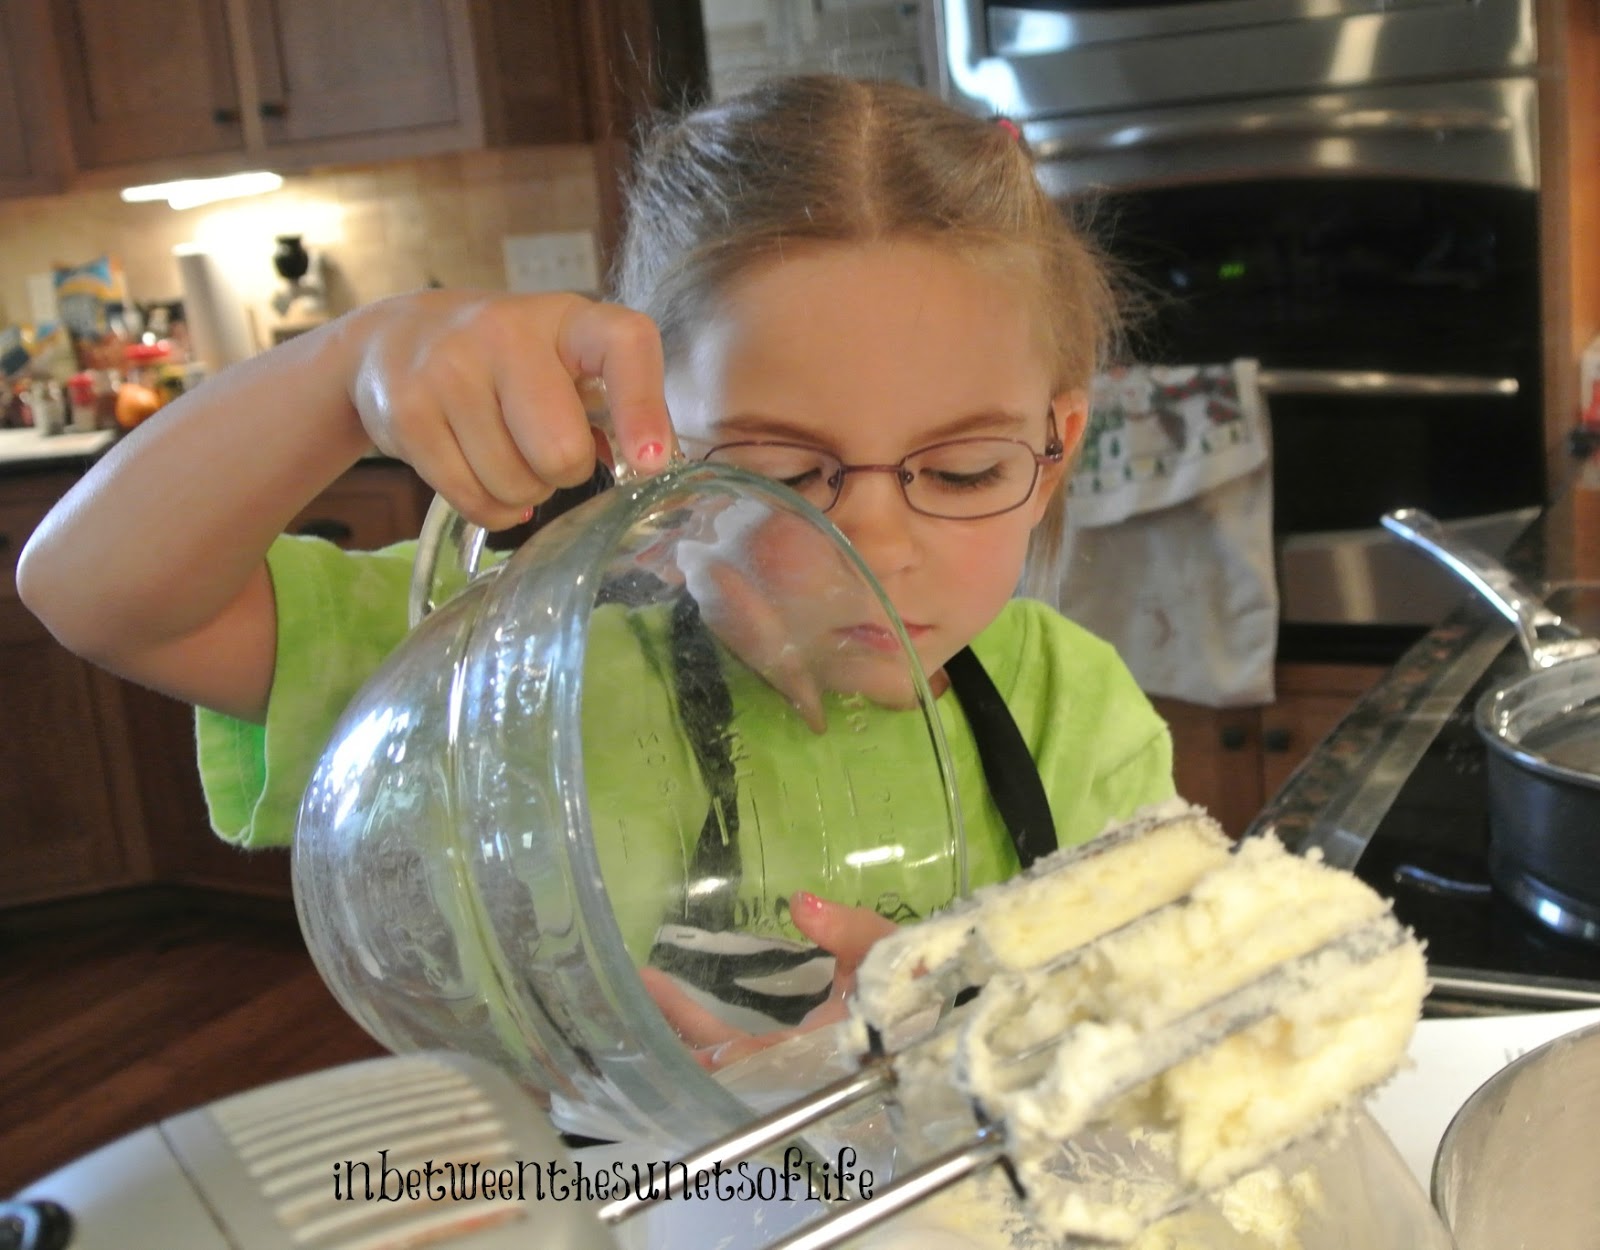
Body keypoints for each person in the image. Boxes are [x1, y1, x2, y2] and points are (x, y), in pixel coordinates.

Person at [18, 74, 1175, 1064]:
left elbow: (1157, 1020)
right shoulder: (517, 667)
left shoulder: (1075, 712)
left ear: (1055, 448)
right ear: (640, 437)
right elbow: (97, 594)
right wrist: (345, 365)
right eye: (778, 470)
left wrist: (973, 1028)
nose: (876, 547)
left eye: (966, 470)